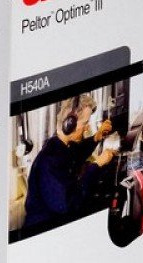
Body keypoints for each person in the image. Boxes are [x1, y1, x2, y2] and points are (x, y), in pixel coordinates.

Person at [24, 94, 115, 235]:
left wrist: (97, 137)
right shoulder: (49, 161)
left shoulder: (61, 145)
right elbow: (69, 203)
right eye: (85, 123)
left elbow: (78, 152)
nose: (86, 128)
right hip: (43, 228)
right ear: (69, 124)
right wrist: (97, 164)